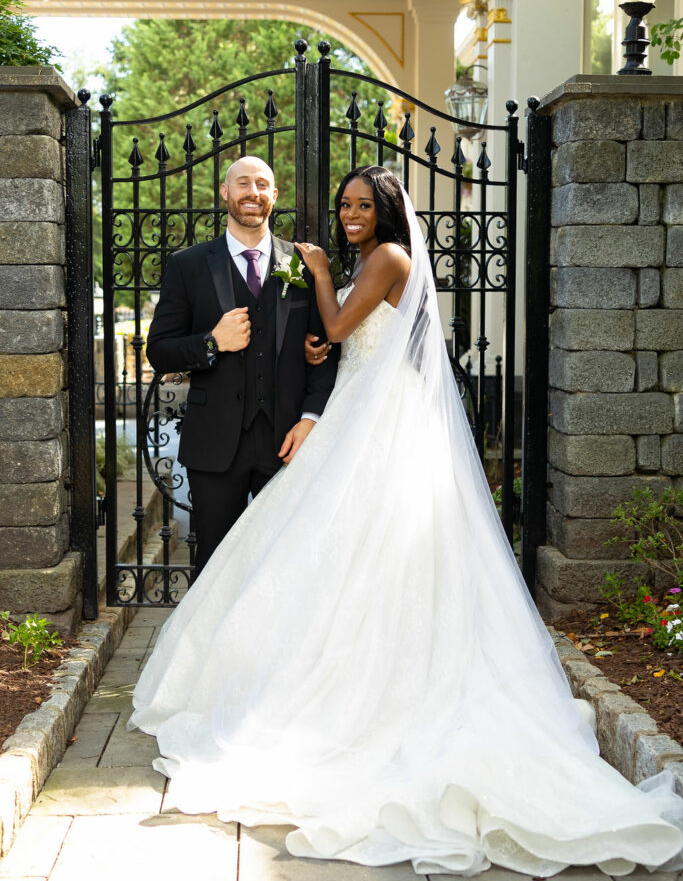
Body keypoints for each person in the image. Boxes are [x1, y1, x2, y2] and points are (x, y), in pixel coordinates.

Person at [130, 166, 683, 876]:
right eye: (344, 205)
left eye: (363, 204)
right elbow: (308, 341)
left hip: (364, 429)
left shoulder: (367, 259)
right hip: (274, 431)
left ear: (383, 210)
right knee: (288, 565)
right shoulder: (208, 265)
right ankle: (250, 679)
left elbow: (329, 328)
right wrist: (235, 342)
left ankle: (353, 696)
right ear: (226, 194)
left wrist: (318, 317)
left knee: (356, 556)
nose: (351, 213)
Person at [145, 155, 338, 577]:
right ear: (226, 193)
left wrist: (309, 419)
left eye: (262, 185)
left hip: (287, 440)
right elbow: (158, 350)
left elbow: (328, 349)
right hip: (215, 445)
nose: (253, 193)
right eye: (244, 184)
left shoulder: (302, 263)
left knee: (285, 566)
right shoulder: (189, 264)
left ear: (273, 195)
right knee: (214, 567)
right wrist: (212, 342)